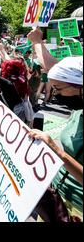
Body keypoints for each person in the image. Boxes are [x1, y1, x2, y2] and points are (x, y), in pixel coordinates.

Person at [27, 28, 83, 221]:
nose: (55, 93)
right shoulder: (77, 90)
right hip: (57, 192)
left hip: (76, 207)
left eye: (58, 89)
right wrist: (37, 41)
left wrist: (57, 151)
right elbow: (56, 70)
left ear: (79, 87)